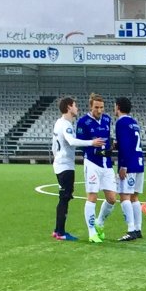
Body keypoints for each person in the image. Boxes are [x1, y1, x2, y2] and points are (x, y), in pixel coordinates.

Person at [49, 96, 103, 241]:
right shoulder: (66, 125)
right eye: (75, 105)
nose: (77, 108)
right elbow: (71, 141)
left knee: (64, 197)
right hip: (65, 166)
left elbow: (54, 146)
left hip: (60, 164)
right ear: (69, 107)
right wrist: (92, 142)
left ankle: (57, 230)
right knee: (64, 198)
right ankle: (60, 232)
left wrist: (57, 158)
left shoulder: (59, 122)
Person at [76, 93, 117, 242]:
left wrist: (110, 146)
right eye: (96, 107)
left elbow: (107, 139)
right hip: (92, 163)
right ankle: (92, 232)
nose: (99, 110)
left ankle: (99, 223)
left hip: (107, 163)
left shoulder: (107, 119)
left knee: (112, 198)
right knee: (92, 196)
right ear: (90, 106)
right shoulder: (83, 122)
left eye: (101, 107)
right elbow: (79, 143)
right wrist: (93, 149)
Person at [112, 97, 145, 241]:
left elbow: (125, 145)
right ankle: (138, 229)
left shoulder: (121, 122)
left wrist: (123, 166)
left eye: (115, 106)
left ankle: (131, 230)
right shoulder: (134, 122)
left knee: (124, 196)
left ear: (118, 107)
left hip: (129, 165)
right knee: (134, 197)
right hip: (139, 163)